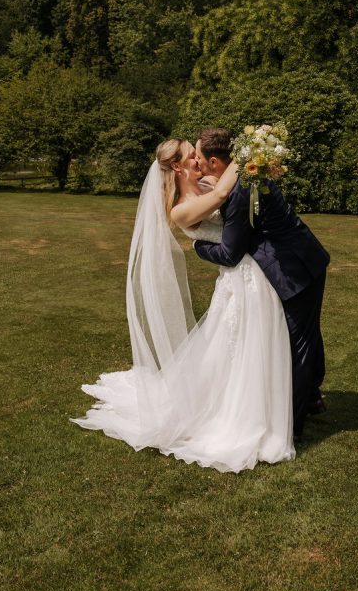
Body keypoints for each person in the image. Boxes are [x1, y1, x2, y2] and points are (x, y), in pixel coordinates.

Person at [71, 138, 295, 473]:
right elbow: (221, 198)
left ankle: (259, 408)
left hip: (249, 274)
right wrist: (246, 157)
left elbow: (231, 201)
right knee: (241, 346)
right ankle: (241, 416)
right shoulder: (179, 208)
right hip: (238, 278)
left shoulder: (204, 183)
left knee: (245, 347)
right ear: (177, 166)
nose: (199, 161)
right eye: (193, 156)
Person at [193, 128, 330, 443]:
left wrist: (198, 248)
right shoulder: (245, 172)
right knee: (306, 335)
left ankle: (292, 426)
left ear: (214, 161)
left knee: (298, 345)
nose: (197, 164)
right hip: (303, 260)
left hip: (296, 269)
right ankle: (312, 398)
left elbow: (229, 253)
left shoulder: (241, 189)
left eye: (199, 158)